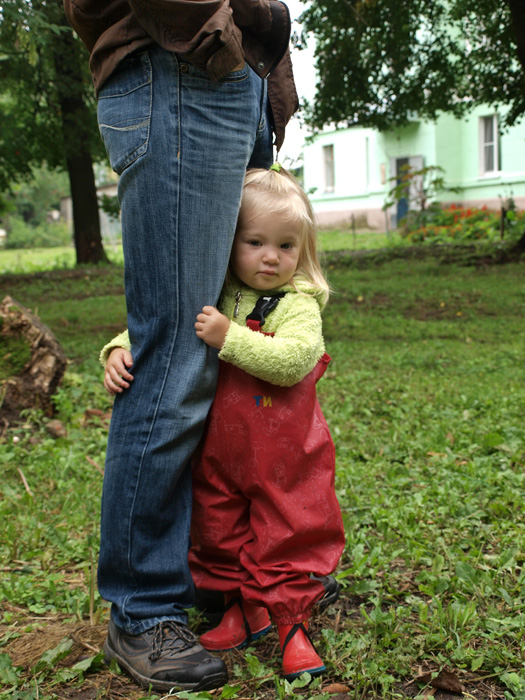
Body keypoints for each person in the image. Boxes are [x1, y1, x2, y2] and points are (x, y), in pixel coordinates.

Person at [63, 0, 299, 693]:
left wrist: (257, 71)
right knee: (175, 358)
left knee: (234, 349)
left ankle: (221, 572)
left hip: (230, 77)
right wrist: (217, 34)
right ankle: (143, 608)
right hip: (181, 62)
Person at [103, 165, 345, 681]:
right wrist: (120, 348)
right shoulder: (217, 290)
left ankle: (289, 623)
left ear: (304, 250)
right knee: (218, 527)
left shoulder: (298, 306)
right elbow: (162, 325)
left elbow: (295, 360)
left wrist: (227, 338)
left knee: (283, 530)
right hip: (219, 452)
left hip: (283, 457)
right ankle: (238, 605)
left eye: (286, 245)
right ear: (229, 240)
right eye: (255, 241)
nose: (270, 257)